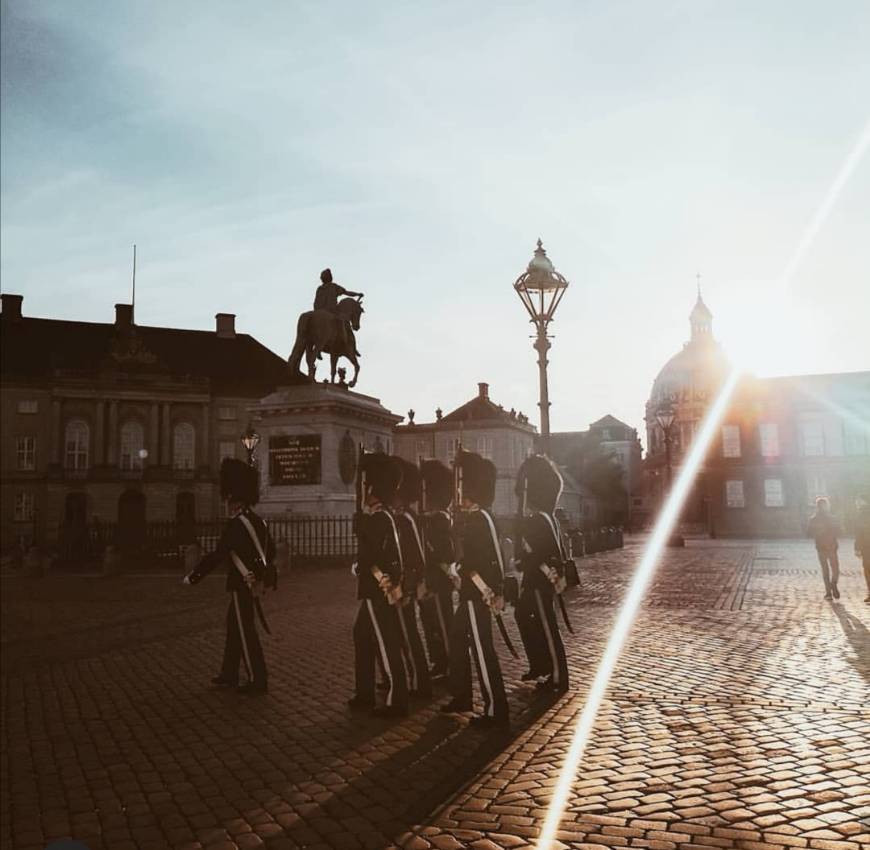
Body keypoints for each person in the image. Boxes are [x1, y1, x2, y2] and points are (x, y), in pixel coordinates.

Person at [184, 459, 274, 694]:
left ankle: (258, 679)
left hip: (242, 582)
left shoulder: (236, 524)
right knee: (234, 626)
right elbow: (270, 551)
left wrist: (195, 576)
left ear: (234, 500)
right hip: (253, 580)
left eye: (229, 499)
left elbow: (219, 554)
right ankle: (229, 672)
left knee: (245, 630)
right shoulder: (258, 521)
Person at [442, 450, 509, 726]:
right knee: (458, 641)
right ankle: (462, 695)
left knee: (482, 649)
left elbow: (481, 559)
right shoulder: (478, 516)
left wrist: (456, 570)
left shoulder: (479, 518)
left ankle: (495, 709)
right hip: (473, 590)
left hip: (476, 591)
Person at [349, 451, 409, 717]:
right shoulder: (383, 517)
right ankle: (364, 693)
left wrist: (359, 563)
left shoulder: (378, 518)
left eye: (368, 488)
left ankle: (397, 700)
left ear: (374, 490)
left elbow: (370, 555)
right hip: (379, 586)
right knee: (361, 635)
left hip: (376, 587)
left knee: (385, 642)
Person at [514, 455, 569, 694]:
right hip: (534, 579)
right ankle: (539, 664)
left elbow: (543, 554)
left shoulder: (539, 520)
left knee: (548, 626)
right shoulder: (544, 518)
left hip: (540, 580)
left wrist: (522, 560)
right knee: (521, 614)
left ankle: (558, 676)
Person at [392, 457, 433, 698]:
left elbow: (415, 555)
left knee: (408, 632)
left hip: (405, 584)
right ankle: (410, 677)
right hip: (400, 582)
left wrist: (409, 585)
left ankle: (420, 680)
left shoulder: (406, 518)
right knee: (401, 633)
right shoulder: (399, 516)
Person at [420, 459, 455, 678]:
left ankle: (450, 663)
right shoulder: (430, 519)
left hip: (438, 581)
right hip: (429, 579)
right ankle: (439, 661)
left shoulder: (439, 520)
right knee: (430, 623)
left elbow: (444, 554)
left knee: (442, 624)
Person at [807, 496, 840, 600]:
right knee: (835, 568)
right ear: (827, 506)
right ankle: (833, 583)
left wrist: (817, 534)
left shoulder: (813, 519)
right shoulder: (832, 518)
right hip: (832, 546)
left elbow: (808, 533)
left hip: (820, 547)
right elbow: (839, 531)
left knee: (825, 570)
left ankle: (828, 593)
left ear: (817, 507)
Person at [854, 494, 870, 603]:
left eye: (857, 500)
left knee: (867, 569)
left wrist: (857, 547)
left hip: (866, 545)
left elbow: (859, 532)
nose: (856, 503)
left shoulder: (861, 514)